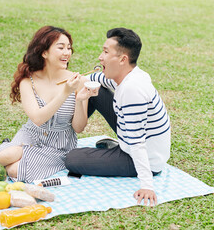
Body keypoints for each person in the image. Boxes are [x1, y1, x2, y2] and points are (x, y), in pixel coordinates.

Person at [0, 26, 98, 183]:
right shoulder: (28, 81)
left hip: (59, 146)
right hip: (31, 135)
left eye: (69, 48)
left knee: (14, 170)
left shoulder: (80, 81)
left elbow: (78, 128)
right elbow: (38, 119)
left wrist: (81, 99)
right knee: (8, 156)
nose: (67, 53)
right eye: (60, 47)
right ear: (44, 52)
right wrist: (65, 92)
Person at [65, 27, 171, 206]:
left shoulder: (132, 91)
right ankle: (66, 135)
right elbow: (101, 79)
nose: (100, 56)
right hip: (131, 135)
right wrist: (81, 79)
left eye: (106, 52)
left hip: (144, 156)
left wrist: (147, 185)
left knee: (72, 158)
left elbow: (137, 143)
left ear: (123, 59)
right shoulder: (130, 74)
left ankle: (115, 151)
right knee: (95, 88)